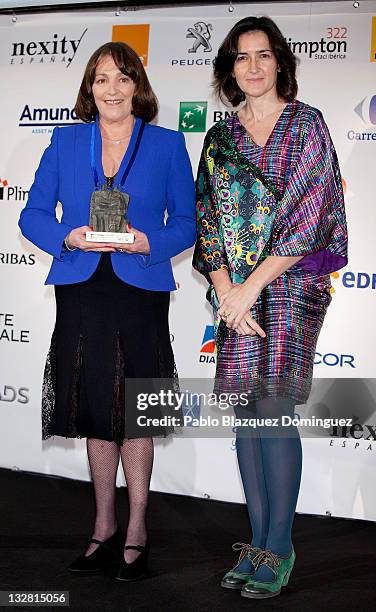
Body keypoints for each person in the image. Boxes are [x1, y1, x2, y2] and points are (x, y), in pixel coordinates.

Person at [19, 41, 196, 582]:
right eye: (100, 80)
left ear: (137, 85)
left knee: (136, 408)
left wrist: (149, 244)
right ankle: (103, 527)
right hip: (82, 287)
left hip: (139, 288)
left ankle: (138, 526)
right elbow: (30, 215)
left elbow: (189, 222)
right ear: (89, 89)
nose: (111, 89)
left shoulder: (166, 145)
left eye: (122, 78)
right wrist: (66, 236)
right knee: (97, 408)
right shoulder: (66, 142)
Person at [193, 16, 347, 599]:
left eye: (262, 55)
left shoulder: (307, 125)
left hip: (288, 286)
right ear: (229, 68)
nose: (252, 67)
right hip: (234, 295)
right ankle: (257, 543)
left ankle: (279, 549)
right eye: (240, 57)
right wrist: (227, 290)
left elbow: (309, 218)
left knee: (273, 410)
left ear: (280, 61)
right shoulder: (220, 138)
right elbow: (208, 221)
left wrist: (248, 288)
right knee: (247, 418)